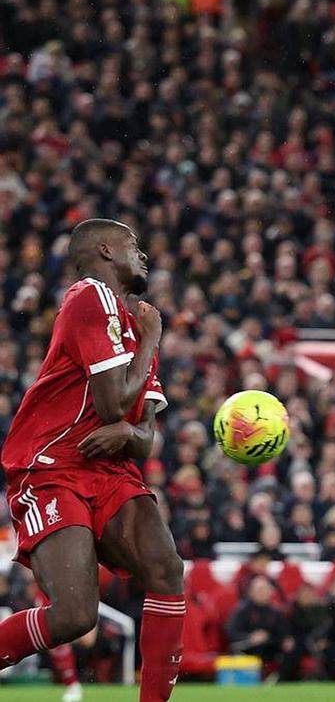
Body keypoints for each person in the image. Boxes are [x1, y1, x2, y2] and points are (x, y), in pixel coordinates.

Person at [0, 218, 185, 702]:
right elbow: (111, 404)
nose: (143, 255)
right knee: (74, 616)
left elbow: (144, 437)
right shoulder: (90, 297)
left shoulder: (135, 327)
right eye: (133, 245)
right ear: (105, 250)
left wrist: (129, 431)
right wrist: (151, 341)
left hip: (111, 470)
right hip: (53, 464)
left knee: (167, 569)